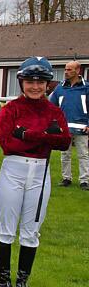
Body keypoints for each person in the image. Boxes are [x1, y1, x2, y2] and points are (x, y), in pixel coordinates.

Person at [0, 57, 70, 287]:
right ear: (21, 82)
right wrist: (47, 135)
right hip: (13, 170)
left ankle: (22, 281)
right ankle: (4, 280)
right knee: (6, 229)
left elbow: (65, 141)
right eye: (30, 81)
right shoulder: (10, 109)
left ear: (48, 84)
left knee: (31, 231)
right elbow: (8, 143)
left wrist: (26, 134)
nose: (35, 86)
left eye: (40, 82)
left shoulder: (55, 111)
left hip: (40, 172)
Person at [49, 60, 89, 190]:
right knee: (65, 154)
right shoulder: (59, 88)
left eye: (69, 69)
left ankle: (84, 181)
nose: (66, 72)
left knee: (83, 154)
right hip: (64, 127)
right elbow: (52, 107)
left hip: (82, 127)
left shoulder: (86, 88)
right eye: (65, 69)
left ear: (78, 71)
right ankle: (66, 178)